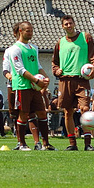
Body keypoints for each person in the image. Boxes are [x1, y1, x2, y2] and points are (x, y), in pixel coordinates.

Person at [52, 15, 94, 151]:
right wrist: (56, 70)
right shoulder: (60, 42)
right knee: (68, 112)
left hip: (81, 80)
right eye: (66, 24)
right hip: (65, 80)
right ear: (62, 26)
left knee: (85, 110)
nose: (69, 26)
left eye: (70, 23)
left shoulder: (85, 37)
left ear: (74, 24)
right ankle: (72, 143)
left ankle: (87, 143)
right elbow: (54, 63)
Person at [6, 21, 55, 151]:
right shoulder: (15, 49)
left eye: (31, 30)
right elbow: (20, 69)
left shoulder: (34, 48)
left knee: (42, 113)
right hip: (22, 86)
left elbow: (38, 66)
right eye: (27, 30)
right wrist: (36, 80)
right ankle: (22, 144)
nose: (30, 32)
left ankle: (46, 144)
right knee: (23, 114)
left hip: (35, 87)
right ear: (20, 31)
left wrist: (45, 77)